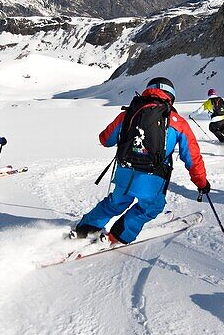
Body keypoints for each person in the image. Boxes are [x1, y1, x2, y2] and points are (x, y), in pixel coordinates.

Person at [73, 76, 209, 245]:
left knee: (115, 203)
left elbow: (105, 139)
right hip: (152, 178)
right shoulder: (178, 122)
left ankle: (84, 229)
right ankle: (117, 235)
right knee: (152, 206)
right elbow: (192, 157)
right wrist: (201, 183)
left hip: (124, 172)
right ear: (171, 97)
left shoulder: (129, 113)